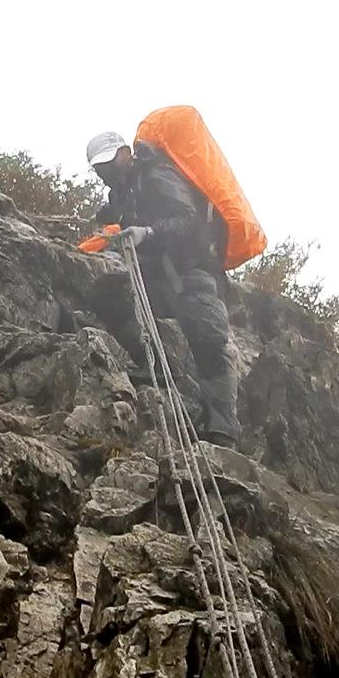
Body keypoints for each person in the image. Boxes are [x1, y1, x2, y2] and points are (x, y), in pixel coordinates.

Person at [84, 130, 241, 448]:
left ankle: (223, 433)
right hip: (155, 277)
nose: (105, 174)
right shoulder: (121, 195)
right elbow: (113, 217)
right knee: (109, 299)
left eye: (108, 165)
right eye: (99, 170)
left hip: (192, 271)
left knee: (209, 343)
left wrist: (149, 232)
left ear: (125, 153)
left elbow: (190, 222)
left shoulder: (157, 174)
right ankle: (155, 369)